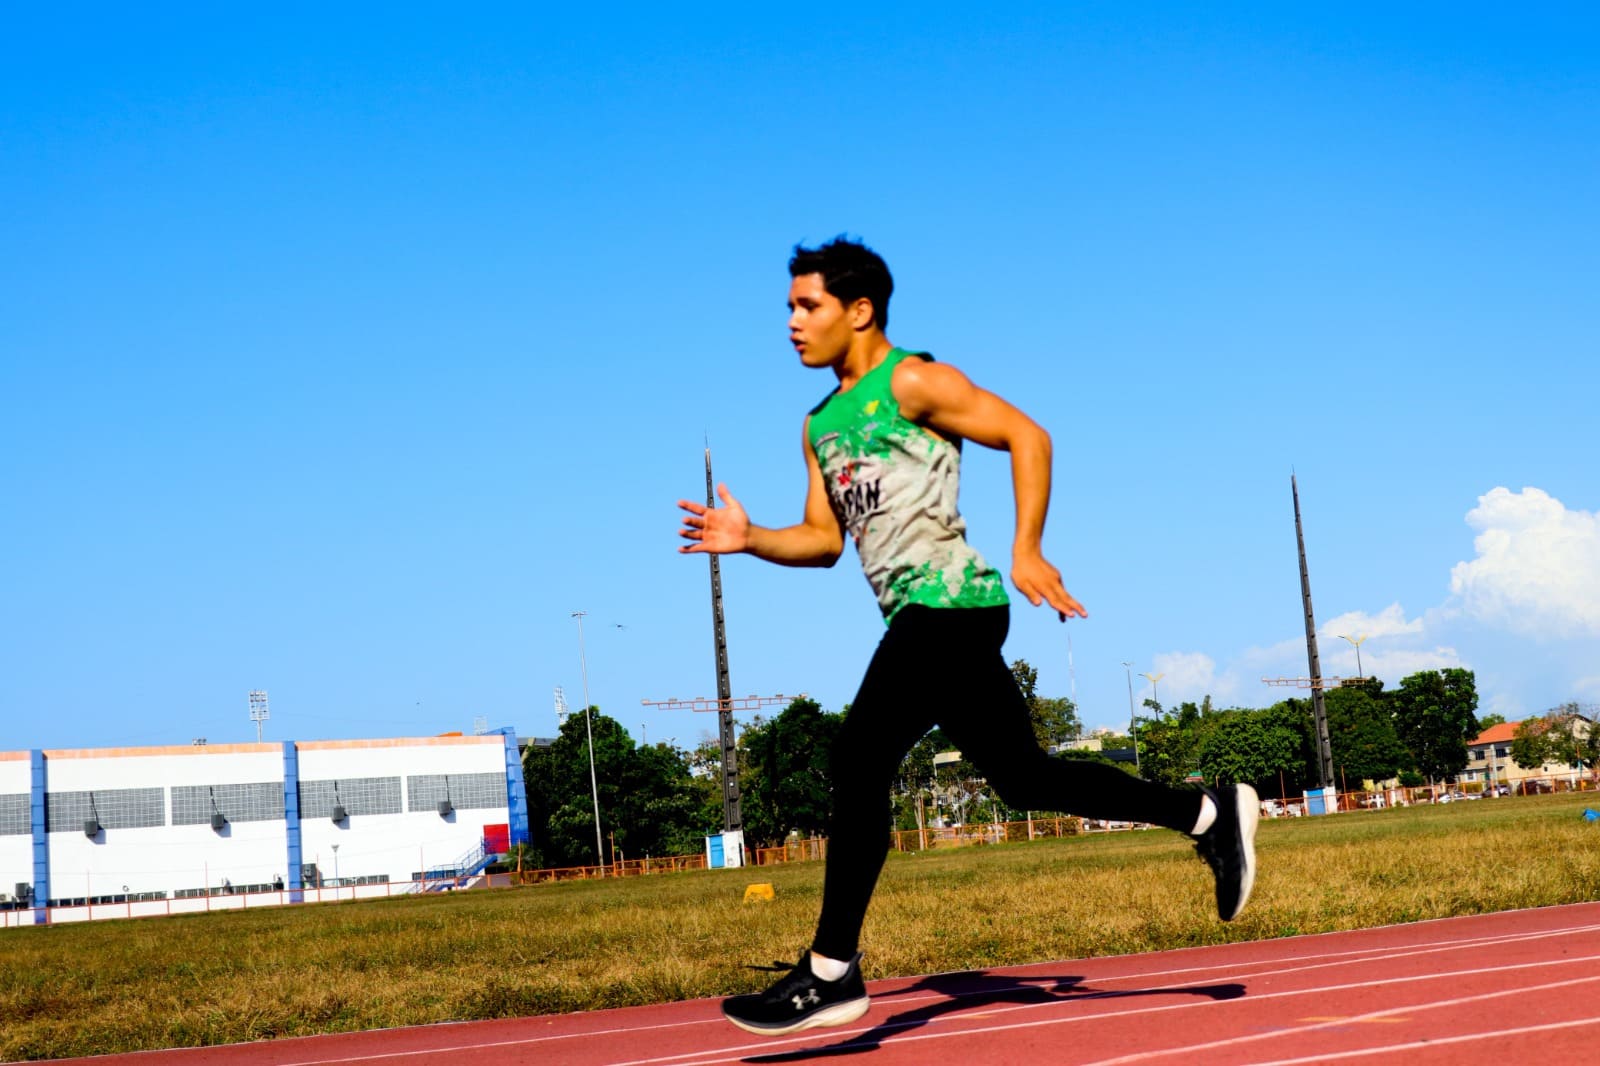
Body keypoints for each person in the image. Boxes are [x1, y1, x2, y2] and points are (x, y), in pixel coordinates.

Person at [676, 237, 1258, 1037]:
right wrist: (749, 539)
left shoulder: (913, 380)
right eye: (788, 308)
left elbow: (1029, 436)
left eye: (806, 306)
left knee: (858, 757)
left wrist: (1028, 548)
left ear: (859, 310)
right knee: (1023, 779)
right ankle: (1208, 814)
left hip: (953, 604)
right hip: (923, 618)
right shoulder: (817, 426)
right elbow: (821, 541)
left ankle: (831, 971)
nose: (792, 323)